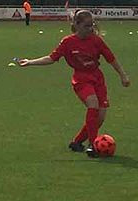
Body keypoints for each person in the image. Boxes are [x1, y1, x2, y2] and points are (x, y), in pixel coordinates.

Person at [15, 9, 131, 157]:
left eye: (92, 25)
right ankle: (93, 145)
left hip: (97, 78)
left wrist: (123, 76)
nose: (90, 29)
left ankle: (77, 142)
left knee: (99, 118)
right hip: (81, 79)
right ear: (77, 25)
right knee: (93, 105)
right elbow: (51, 58)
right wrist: (30, 62)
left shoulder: (96, 40)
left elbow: (111, 58)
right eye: (87, 26)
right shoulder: (68, 42)